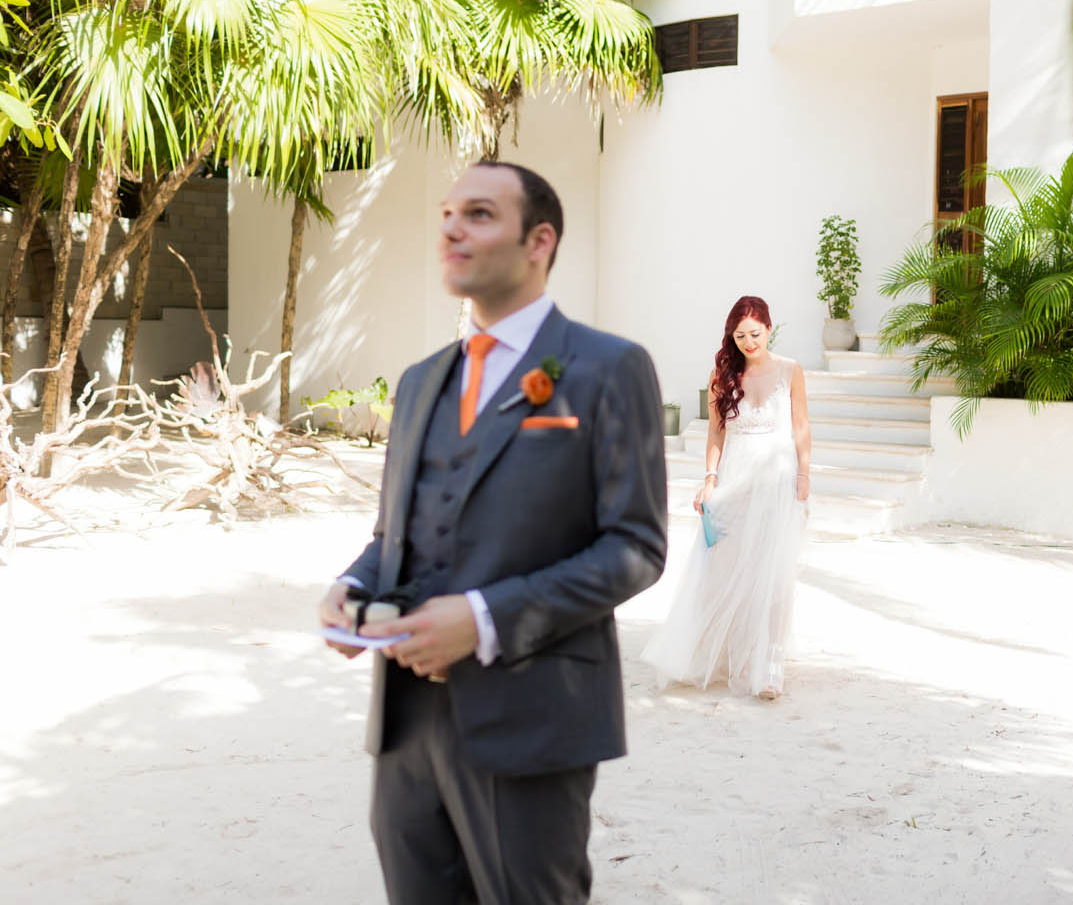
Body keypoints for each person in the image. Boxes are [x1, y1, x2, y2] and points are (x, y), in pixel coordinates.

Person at [316, 161, 668, 905]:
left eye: (478, 214)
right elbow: (394, 536)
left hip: (532, 717)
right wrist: (353, 587)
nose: (451, 228)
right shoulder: (419, 381)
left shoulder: (609, 368)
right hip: (406, 728)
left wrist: (481, 620)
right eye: (446, 213)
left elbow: (636, 549)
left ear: (539, 241)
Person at [642, 295, 810, 699]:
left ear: (769, 329)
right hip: (735, 479)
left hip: (778, 481)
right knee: (724, 567)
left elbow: (801, 426)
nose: (749, 343)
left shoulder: (790, 370)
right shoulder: (723, 376)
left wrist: (804, 475)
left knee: (775, 573)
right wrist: (710, 480)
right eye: (740, 336)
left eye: (755, 334)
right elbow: (716, 434)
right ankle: (732, 653)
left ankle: (770, 666)